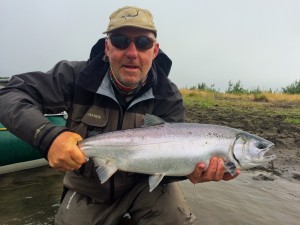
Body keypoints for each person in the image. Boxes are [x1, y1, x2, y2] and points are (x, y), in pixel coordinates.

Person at [0, 6, 239, 225]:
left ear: (155, 50)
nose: (132, 52)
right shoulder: (75, 77)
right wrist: (48, 137)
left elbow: (168, 165)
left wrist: (191, 172)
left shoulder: (168, 96)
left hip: (146, 187)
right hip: (89, 188)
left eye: (143, 43)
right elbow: (11, 94)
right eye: (121, 40)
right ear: (107, 46)